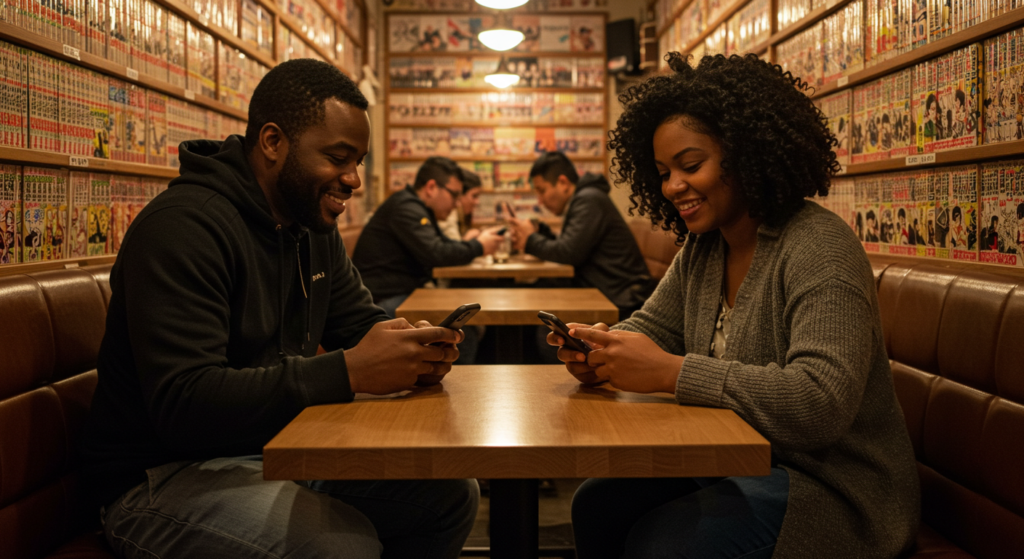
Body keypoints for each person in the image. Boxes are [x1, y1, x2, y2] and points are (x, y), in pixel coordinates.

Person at [79, 59, 478, 559]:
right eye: (338, 157)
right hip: (159, 477)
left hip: (274, 450)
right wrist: (351, 370)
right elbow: (185, 406)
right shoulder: (183, 229)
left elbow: (357, 321)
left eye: (358, 161)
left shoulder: (310, 225)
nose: (353, 179)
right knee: (338, 548)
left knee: (449, 494)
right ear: (272, 143)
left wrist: (410, 348)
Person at [550, 53, 919, 559]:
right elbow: (651, 330)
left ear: (747, 153)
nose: (672, 186)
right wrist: (600, 352)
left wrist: (672, 373)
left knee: (665, 545)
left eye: (691, 165)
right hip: (740, 460)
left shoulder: (819, 246)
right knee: (598, 504)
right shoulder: (705, 249)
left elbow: (820, 403)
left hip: (835, 487)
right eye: (662, 172)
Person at [507, 151, 654, 322]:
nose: (540, 200)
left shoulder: (588, 199)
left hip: (621, 300)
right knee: (536, 296)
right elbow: (570, 245)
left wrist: (530, 239)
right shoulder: (585, 198)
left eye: (542, 191)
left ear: (563, 182)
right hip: (605, 291)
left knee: (541, 326)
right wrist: (539, 232)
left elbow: (569, 253)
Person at [352, 156, 504, 317]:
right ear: (431, 187)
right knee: (465, 322)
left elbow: (443, 245)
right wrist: (479, 246)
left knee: (469, 310)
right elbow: (437, 253)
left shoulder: (417, 207)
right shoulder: (407, 208)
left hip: (400, 292)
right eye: (454, 195)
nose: (457, 203)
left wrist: (476, 244)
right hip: (380, 301)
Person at [439, 168, 484, 242]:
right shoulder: (449, 214)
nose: (477, 202)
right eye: (474, 196)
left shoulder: (462, 215)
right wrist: (468, 239)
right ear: (460, 195)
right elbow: (452, 250)